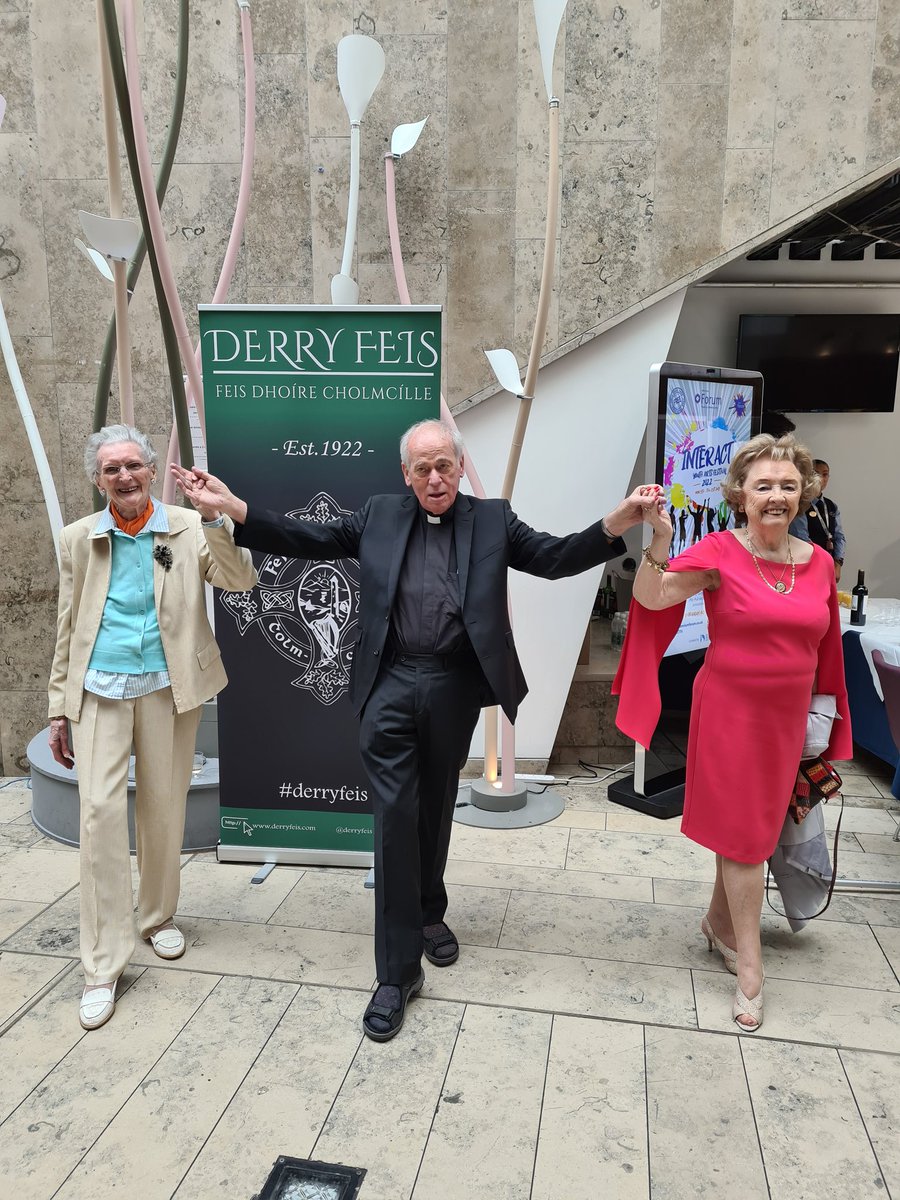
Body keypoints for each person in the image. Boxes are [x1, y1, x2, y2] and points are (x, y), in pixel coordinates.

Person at [172, 419, 651, 1041]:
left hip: (454, 686)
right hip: (390, 684)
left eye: (444, 465)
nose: (434, 478)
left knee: (435, 808)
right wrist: (231, 506)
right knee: (397, 818)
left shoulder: (493, 520)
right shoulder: (378, 514)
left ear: (458, 466)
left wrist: (617, 521)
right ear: (405, 475)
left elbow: (556, 557)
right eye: (422, 468)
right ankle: (396, 974)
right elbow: (304, 537)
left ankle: (429, 912)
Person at [614, 434, 851, 1032]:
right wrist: (658, 548)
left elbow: (827, 650)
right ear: (741, 494)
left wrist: (824, 725)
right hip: (729, 714)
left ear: (803, 495)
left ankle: (719, 924)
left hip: (788, 719)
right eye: (763, 486)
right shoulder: (719, 551)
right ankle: (751, 966)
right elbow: (653, 597)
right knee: (746, 838)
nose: (775, 496)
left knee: (758, 829)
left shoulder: (820, 562)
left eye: (787, 486)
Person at [48, 425, 256, 1030]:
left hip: (170, 689)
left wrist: (215, 519)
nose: (125, 477)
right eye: (111, 469)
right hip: (99, 692)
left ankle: (157, 917)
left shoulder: (186, 527)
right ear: (97, 479)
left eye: (133, 465)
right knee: (100, 819)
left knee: (163, 810)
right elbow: (67, 625)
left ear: (151, 470)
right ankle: (101, 965)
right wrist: (58, 705)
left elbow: (239, 579)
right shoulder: (79, 539)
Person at [789, 458, 845, 581]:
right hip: (806, 563)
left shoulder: (831, 506)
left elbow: (839, 537)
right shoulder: (801, 504)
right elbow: (802, 539)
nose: (821, 478)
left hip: (829, 563)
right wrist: (821, 563)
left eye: (825, 474)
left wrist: (837, 564)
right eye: (816, 474)